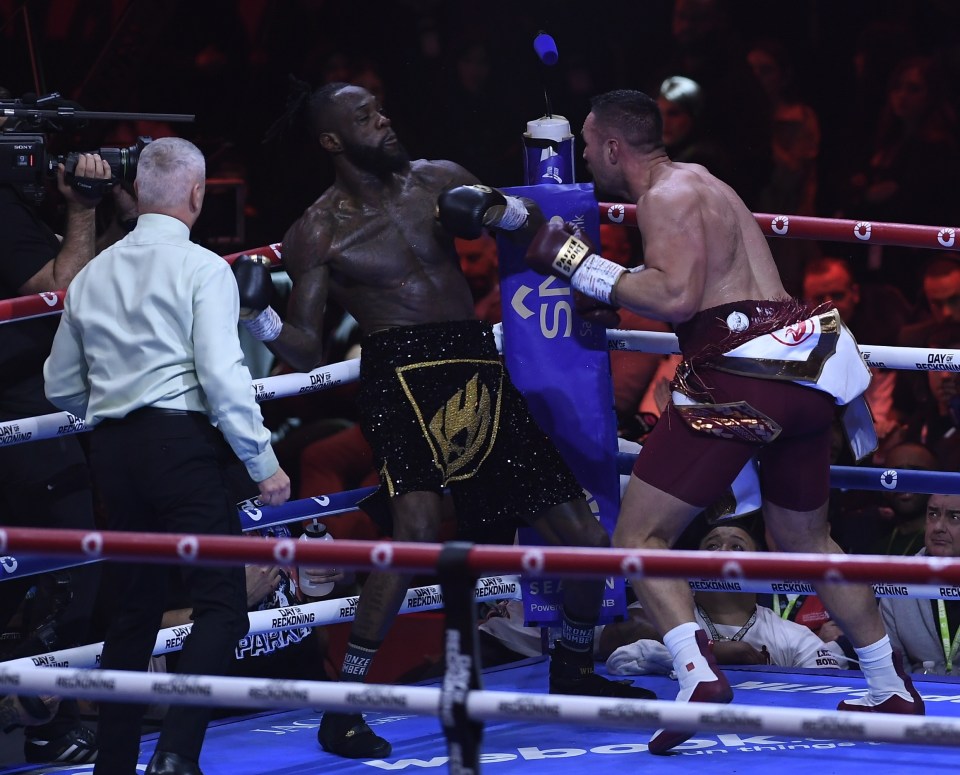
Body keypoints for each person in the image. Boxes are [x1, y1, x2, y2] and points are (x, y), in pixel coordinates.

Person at [238, 80, 655, 761]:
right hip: (397, 375)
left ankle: (574, 665)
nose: (384, 118)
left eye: (380, 106)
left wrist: (500, 210)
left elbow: (533, 228)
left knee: (583, 536)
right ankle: (343, 711)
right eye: (364, 116)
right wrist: (257, 315)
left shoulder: (441, 179)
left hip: (473, 363)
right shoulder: (317, 229)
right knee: (417, 531)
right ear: (332, 140)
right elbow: (303, 349)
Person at [524, 89, 924, 755]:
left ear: (615, 147)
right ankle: (888, 682)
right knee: (807, 538)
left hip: (743, 376)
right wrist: (611, 291)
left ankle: (697, 675)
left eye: (590, 146)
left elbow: (676, 295)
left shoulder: (663, 197)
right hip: (800, 368)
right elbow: (698, 287)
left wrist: (575, 262)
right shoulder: (706, 183)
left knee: (638, 537)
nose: (586, 157)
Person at [43, 136, 291, 775]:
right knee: (222, 605)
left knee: (133, 612)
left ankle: (116, 765)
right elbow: (223, 374)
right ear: (197, 193)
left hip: (113, 453)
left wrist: (114, 403)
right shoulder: (203, 267)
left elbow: (60, 385)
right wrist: (264, 462)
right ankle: (176, 755)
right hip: (179, 444)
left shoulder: (92, 274)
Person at [0, 113, 131, 763]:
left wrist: (115, 217)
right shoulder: (1, 209)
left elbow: (81, 273)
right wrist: (81, 206)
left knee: (36, 570)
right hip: (16, 407)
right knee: (74, 560)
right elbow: (64, 289)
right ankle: (56, 722)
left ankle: (44, 716)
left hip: (32, 400)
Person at [603, 521, 844, 674]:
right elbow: (624, 630)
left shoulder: (793, 636)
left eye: (737, 547)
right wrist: (713, 650)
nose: (722, 553)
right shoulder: (667, 611)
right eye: (712, 545)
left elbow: (828, 692)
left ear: (761, 566)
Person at [881, 492, 960, 675]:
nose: (938, 527)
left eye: (954, 516)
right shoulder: (899, 579)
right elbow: (890, 667)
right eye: (933, 514)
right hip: (918, 696)